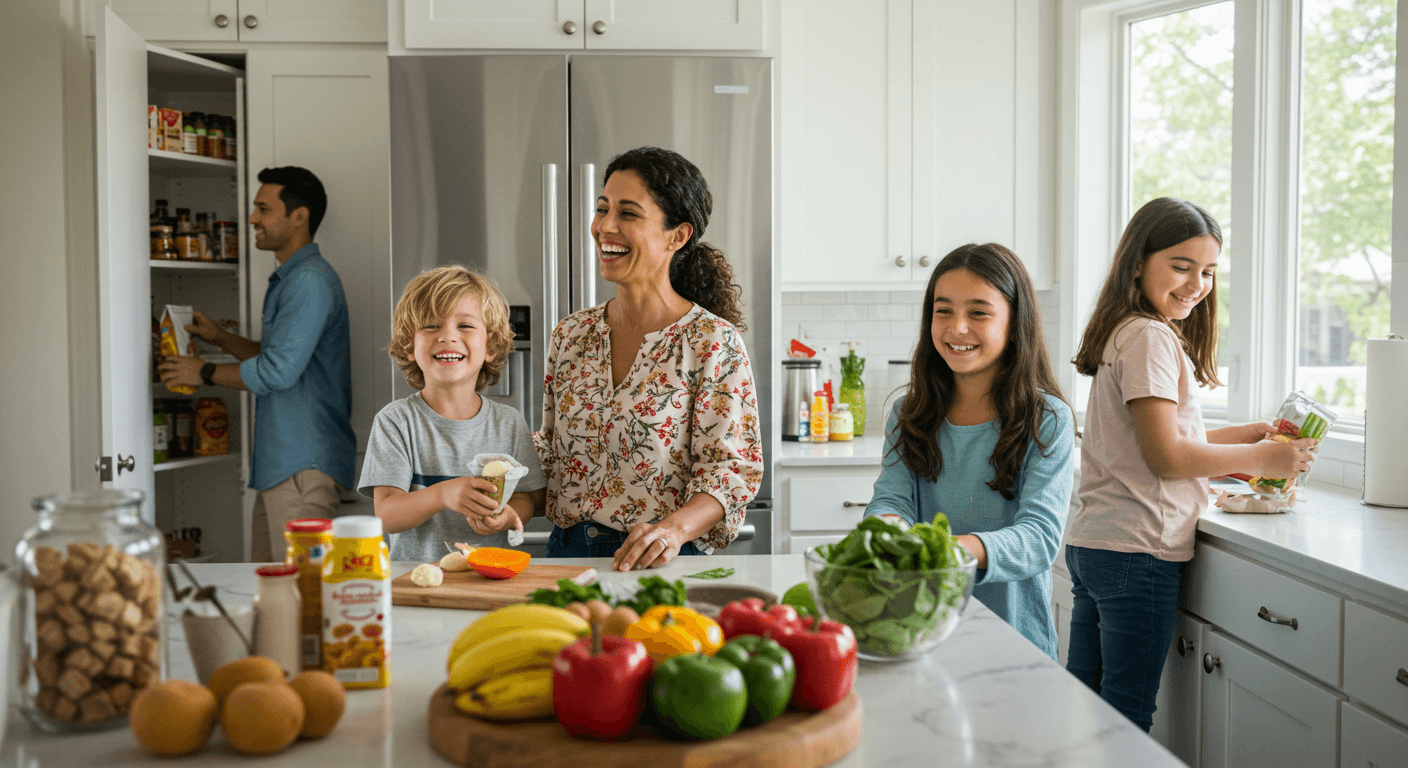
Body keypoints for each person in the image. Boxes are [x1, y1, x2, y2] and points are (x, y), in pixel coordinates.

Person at [1065, 197, 1315, 731]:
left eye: (1207, 271)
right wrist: (1263, 457)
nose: (1196, 284)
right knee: (1127, 712)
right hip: (1139, 548)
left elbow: (1150, 444)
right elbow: (1166, 457)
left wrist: (1245, 438)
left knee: (1085, 701)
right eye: (1181, 266)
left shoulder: (1125, 330)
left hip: (1096, 542)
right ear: (1138, 261)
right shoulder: (1152, 336)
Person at [534, 146, 763, 572]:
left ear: (677, 236)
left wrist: (673, 530)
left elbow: (730, 471)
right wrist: (505, 500)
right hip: (565, 557)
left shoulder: (711, 342)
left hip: (659, 561)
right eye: (602, 209)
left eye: (628, 213)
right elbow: (551, 456)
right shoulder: (571, 334)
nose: (605, 226)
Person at [863, 243, 1075, 659]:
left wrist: (940, 552)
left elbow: (1039, 539)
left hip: (1014, 644)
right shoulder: (909, 411)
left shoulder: (1048, 418)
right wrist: (889, 532)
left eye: (978, 312)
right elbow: (891, 498)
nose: (957, 328)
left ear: (1015, 323)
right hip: (920, 631)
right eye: (943, 311)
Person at [159, 166, 356, 562]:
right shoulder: (293, 279)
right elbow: (279, 362)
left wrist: (203, 372)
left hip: (303, 466)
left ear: (299, 217)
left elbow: (277, 374)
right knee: (274, 590)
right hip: (286, 467)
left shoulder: (309, 282)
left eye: (263, 209)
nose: (252, 219)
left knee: (304, 596)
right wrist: (220, 338)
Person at [358, 266, 546, 561]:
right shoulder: (395, 421)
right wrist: (442, 494)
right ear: (409, 346)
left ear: (491, 347)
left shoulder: (508, 423)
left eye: (465, 326)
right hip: (416, 581)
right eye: (431, 326)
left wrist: (509, 515)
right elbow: (386, 515)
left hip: (491, 580)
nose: (447, 336)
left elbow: (529, 498)